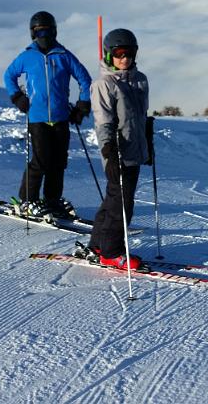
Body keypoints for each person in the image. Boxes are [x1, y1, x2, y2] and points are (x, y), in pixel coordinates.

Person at [77, 28, 153, 270]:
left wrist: (147, 141)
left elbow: (140, 116)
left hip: (135, 149)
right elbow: (103, 121)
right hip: (116, 152)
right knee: (122, 203)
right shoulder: (104, 84)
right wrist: (108, 149)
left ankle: (98, 244)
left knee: (114, 199)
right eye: (119, 53)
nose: (125, 58)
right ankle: (111, 252)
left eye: (129, 53)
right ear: (109, 55)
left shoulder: (140, 79)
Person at [4, 11, 92, 218]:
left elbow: (85, 79)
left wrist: (82, 106)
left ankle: (51, 200)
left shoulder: (64, 55)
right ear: (32, 33)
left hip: (61, 117)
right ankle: (27, 201)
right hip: (37, 118)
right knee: (41, 161)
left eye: (47, 30)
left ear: (54, 31)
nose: (44, 35)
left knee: (59, 162)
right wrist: (17, 97)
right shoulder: (27, 56)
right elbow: (9, 75)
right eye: (39, 31)